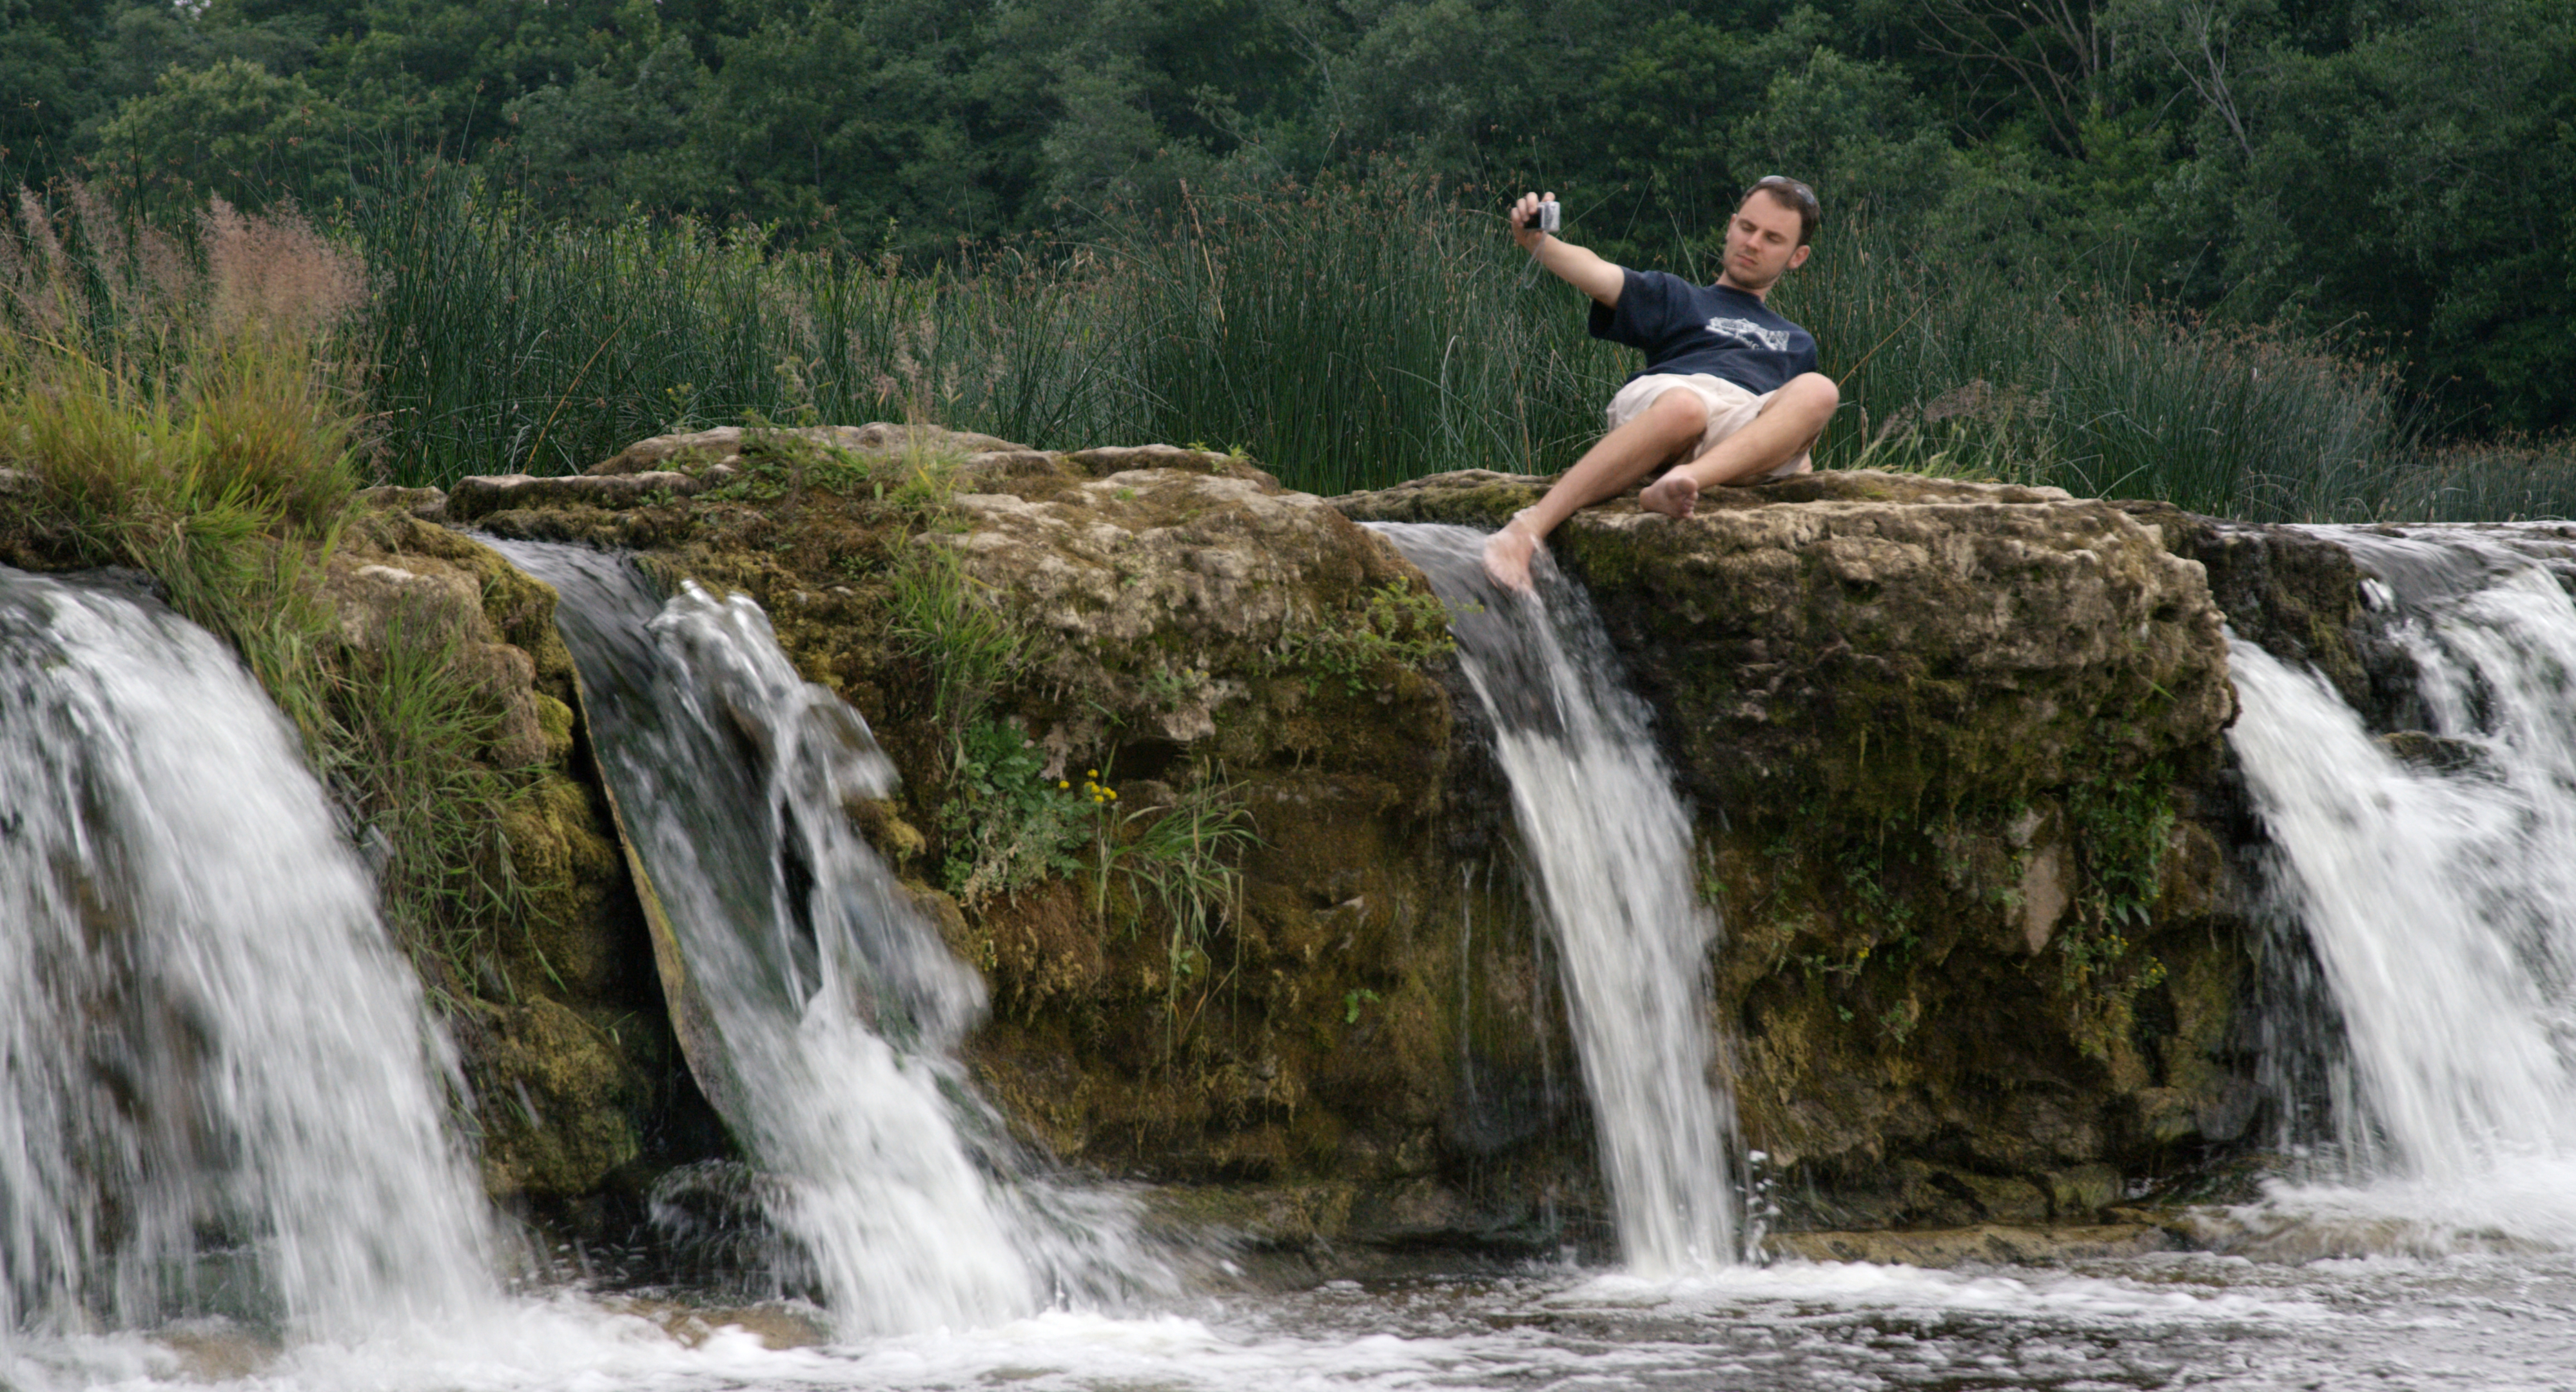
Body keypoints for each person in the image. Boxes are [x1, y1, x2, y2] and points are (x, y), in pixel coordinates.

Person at [1482, 175, 1839, 592]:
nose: (1753, 243)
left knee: (1821, 390)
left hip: (1738, 431)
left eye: (1772, 238)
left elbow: (1792, 426)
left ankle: (1682, 481)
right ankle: (1527, 529)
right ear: (1730, 226)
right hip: (1671, 403)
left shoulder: (1798, 342)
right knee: (1685, 407)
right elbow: (1598, 273)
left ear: (1797, 257)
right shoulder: (1676, 295)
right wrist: (1538, 242)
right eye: (1747, 227)